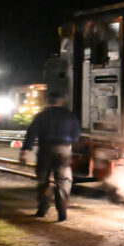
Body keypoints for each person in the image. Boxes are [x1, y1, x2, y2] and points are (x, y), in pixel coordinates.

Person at [19, 91, 81, 222]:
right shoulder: (69, 116)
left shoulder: (41, 116)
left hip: (45, 149)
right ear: (61, 101)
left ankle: (42, 210)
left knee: (43, 179)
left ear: (48, 102)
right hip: (64, 150)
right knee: (63, 180)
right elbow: (76, 135)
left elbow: (31, 133)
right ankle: (62, 213)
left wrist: (25, 150)